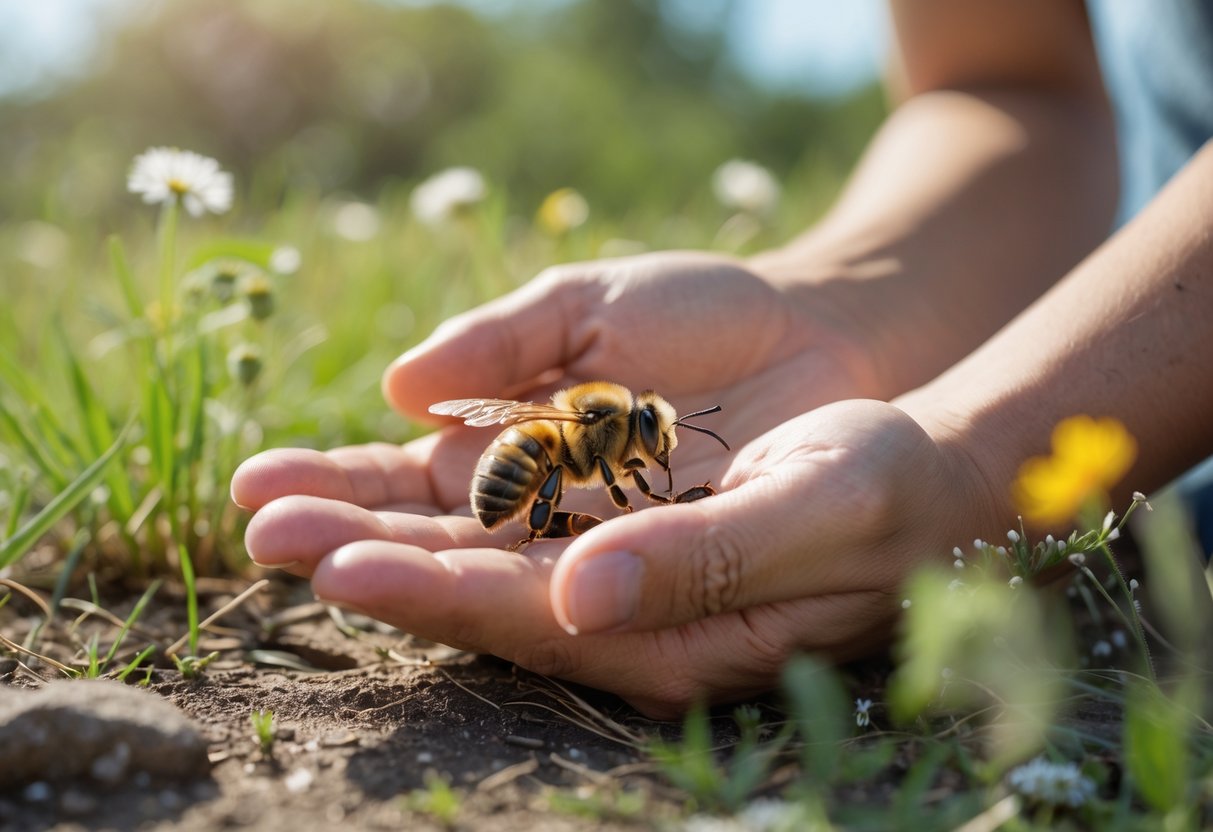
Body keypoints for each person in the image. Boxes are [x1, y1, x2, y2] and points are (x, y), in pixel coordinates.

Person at [231, 0, 1213, 718]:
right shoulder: (601, 432)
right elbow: (1006, 80)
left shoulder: (620, 435)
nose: (654, 447)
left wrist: (979, 454)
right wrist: (835, 304)